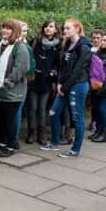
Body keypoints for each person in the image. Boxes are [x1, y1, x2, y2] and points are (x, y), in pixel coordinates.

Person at [41, 19, 91, 158]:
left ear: (77, 29)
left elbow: (78, 70)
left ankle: (75, 150)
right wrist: (59, 83)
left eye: (68, 28)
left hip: (78, 85)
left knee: (77, 117)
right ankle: (54, 143)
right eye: (64, 28)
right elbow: (62, 66)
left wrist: (65, 87)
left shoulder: (84, 46)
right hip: (65, 85)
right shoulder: (67, 44)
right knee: (53, 112)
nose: (65, 31)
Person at [0, 19, 30, 157]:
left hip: (13, 91)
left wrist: (7, 81)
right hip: (0, 90)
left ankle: (11, 146)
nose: (4, 30)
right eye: (3, 27)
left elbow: (22, 68)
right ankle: (2, 143)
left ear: (15, 31)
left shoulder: (20, 47)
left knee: (10, 119)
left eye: (8, 28)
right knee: (3, 118)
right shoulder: (2, 45)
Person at [26, 19, 60, 145]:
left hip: (47, 80)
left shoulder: (58, 45)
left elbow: (58, 62)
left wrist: (54, 72)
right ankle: (31, 133)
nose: (48, 28)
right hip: (34, 79)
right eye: (46, 26)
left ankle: (41, 134)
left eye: (51, 26)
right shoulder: (35, 41)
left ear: (56, 29)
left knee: (42, 108)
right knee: (32, 107)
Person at [13, 21, 34, 148]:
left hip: (20, 83)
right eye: (22, 30)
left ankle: (14, 139)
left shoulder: (26, 48)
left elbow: (30, 69)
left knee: (17, 111)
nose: (24, 33)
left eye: (26, 31)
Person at [88, 29, 104, 132]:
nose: (96, 40)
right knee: (94, 104)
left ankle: (98, 123)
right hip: (90, 81)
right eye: (94, 38)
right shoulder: (88, 49)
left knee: (100, 105)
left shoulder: (104, 51)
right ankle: (93, 122)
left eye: (98, 38)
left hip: (101, 81)